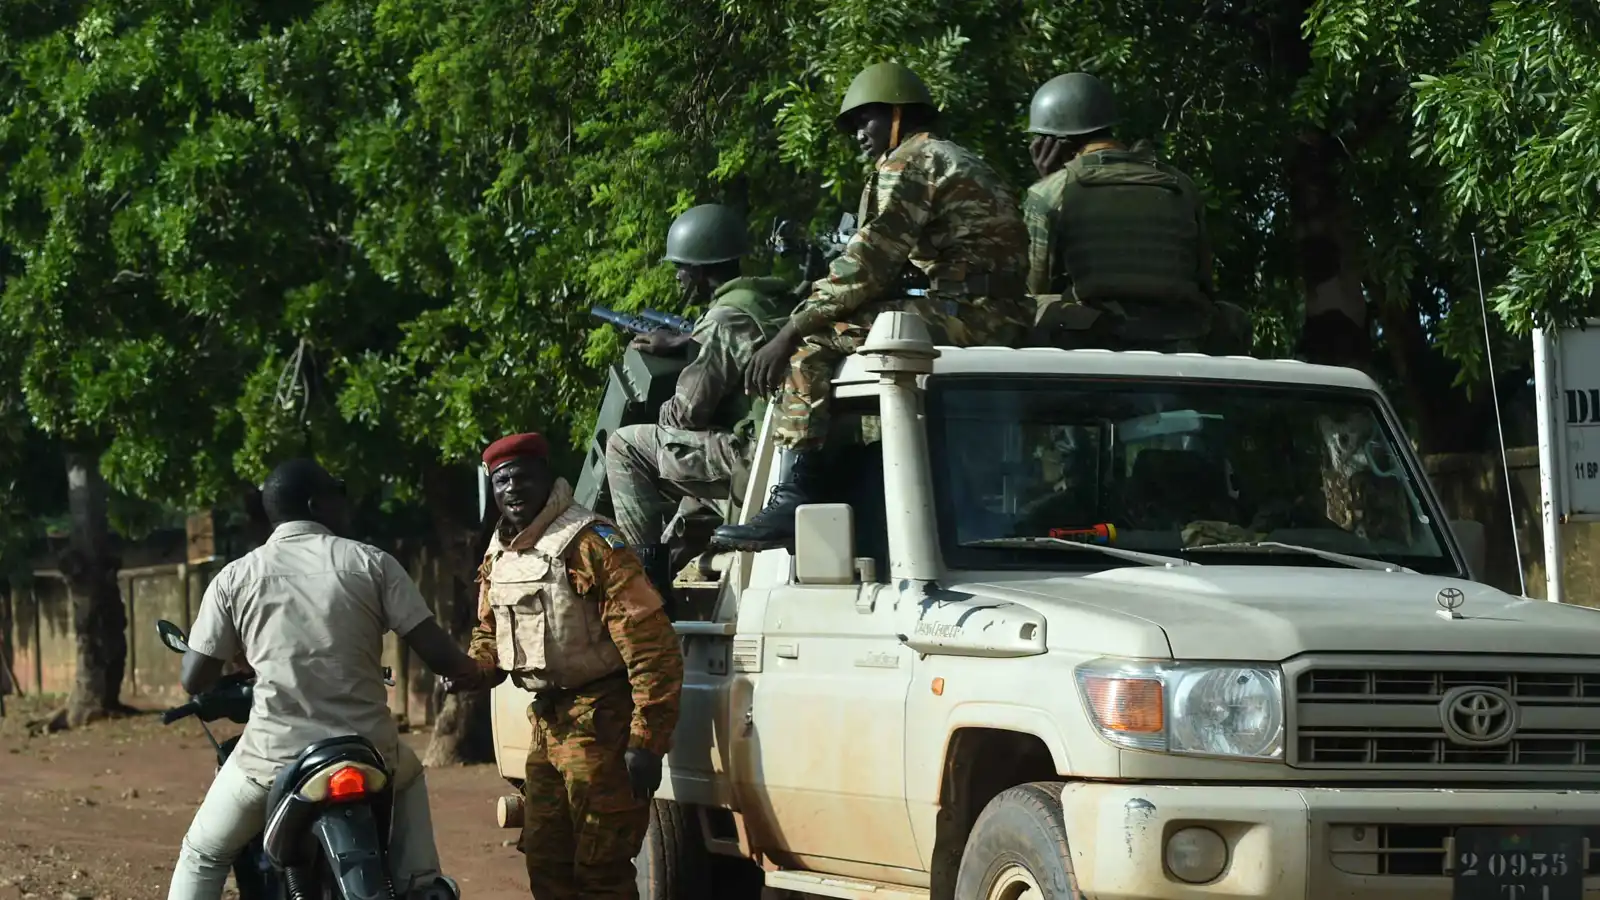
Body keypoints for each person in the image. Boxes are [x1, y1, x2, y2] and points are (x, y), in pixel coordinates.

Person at [711, 61, 1030, 551]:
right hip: (996, 310)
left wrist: (789, 330)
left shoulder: (910, 162)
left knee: (808, 347)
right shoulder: (956, 157)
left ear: (898, 115)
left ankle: (796, 500)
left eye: (867, 119)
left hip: (972, 315)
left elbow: (868, 262)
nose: (860, 134)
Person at [169, 459, 476, 900]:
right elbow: (442, 657)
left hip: (272, 757)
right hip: (370, 750)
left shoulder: (235, 577)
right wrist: (476, 669)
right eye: (338, 494)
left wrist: (235, 658)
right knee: (408, 775)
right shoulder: (372, 563)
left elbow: (194, 678)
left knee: (203, 853)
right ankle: (423, 884)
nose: (345, 505)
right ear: (316, 504)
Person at [445, 433, 683, 900]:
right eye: (501, 481)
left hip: (602, 725)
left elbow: (653, 649)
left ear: (547, 478)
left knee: (602, 872)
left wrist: (646, 742)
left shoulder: (590, 543)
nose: (512, 489)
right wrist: (469, 670)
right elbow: (490, 636)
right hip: (548, 725)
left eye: (522, 477)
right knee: (547, 865)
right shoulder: (500, 552)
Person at [604, 203, 792, 590]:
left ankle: (639, 588)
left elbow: (686, 414)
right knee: (685, 518)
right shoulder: (770, 301)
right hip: (786, 454)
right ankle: (663, 583)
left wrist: (664, 403)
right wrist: (688, 341)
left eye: (681, 268)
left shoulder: (722, 319)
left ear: (700, 270)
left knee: (626, 446)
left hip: (755, 459)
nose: (677, 277)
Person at [1022, 72, 1250, 355]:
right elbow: (1203, 282)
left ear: (1053, 143)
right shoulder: (1181, 184)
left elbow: (1032, 284)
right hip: (1185, 335)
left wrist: (1049, 180)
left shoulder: (1050, 192)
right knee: (1232, 316)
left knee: (1022, 308)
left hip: (1093, 339)